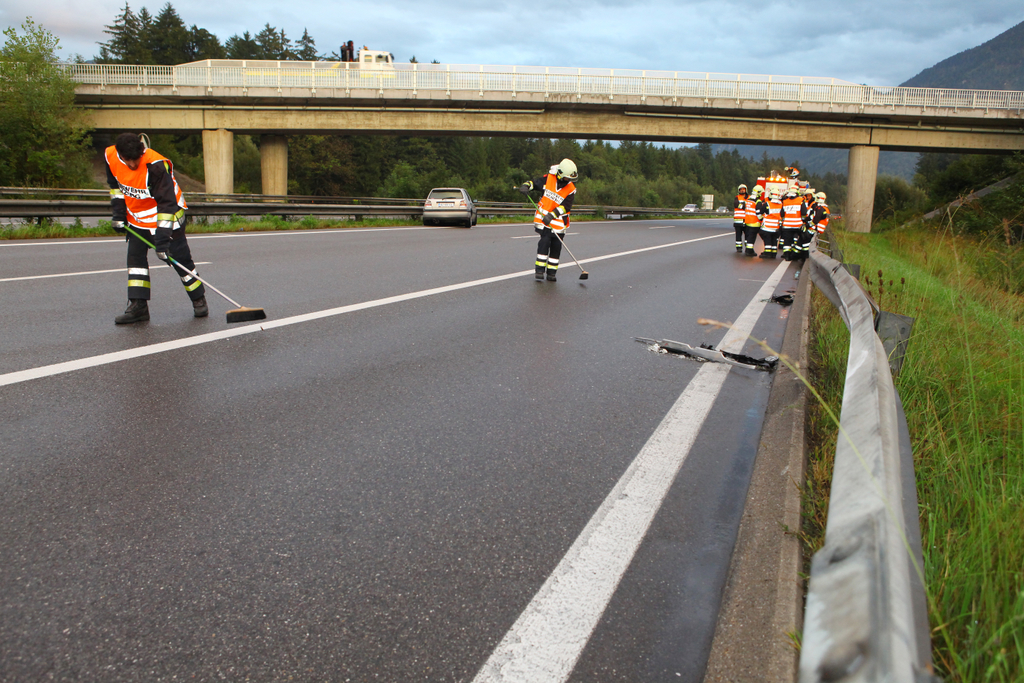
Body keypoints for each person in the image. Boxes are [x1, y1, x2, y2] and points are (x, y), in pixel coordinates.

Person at [106, 132, 207, 324]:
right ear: (120, 155)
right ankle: (138, 307)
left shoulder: (156, 166)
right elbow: (115, 186)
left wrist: (162, 241)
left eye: (136, 160)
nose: (133, 165)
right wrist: (118, 214)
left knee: (180, 260)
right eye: (128, 160)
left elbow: (167, 204)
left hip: (168, 217)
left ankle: (198, 300)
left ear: (142, 152)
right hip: (138, 220)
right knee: (135, 262)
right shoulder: (110, 156)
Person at [518, 159, 578, 282]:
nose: (568, 180)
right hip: (544, 221)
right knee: (544, 243)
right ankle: (539, 271)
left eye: (570, 178)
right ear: (560, 174)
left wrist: (552, 215)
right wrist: (526, 186)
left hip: (559, 223)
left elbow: (565, 207)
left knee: (556, 247)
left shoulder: (571, 189)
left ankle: (551, 273)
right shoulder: (548, 179)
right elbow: (534, 183)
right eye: (566, 178)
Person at [778, 185, 806, 261]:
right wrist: (803, 221)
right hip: (798, 225)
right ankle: (795, 254)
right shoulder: (801, 200)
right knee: (801, 238)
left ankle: (787, 255)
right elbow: (804, 212)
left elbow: (782, 214)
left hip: (787, 225)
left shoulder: (785, 201)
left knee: (787, 241)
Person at [759, 188, 783, 258]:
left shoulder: (767, 204)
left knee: (767, 240)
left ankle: (767, 253)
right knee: (774, 240)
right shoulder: (781, 204)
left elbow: (760, 213)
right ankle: (773, 253)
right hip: (776, 227)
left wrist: (761, 219)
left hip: (767, 227)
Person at [743, 185, 765, 257]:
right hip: (754, 223)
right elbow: (758, 213)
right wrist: (762, 219)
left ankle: (749, 249)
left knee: (748, 237)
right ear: (759, 193)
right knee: (752, 237)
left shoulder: (748, 200)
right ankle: (749, 251)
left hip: (747, 221)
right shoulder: (758, 201)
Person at [733, 184, 749, 253]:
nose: (742, 190)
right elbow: (736, 204)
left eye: (743, 189)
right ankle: (739, 247)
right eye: (741, 189)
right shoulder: (737, 197)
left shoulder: (749, 197)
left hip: (747, 220)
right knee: (738, 235)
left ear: (746, 190)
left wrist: (742, 206)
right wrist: (744, 206)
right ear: (739, 191)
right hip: (738, 221)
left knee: (747, 235)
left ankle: (748, 247)